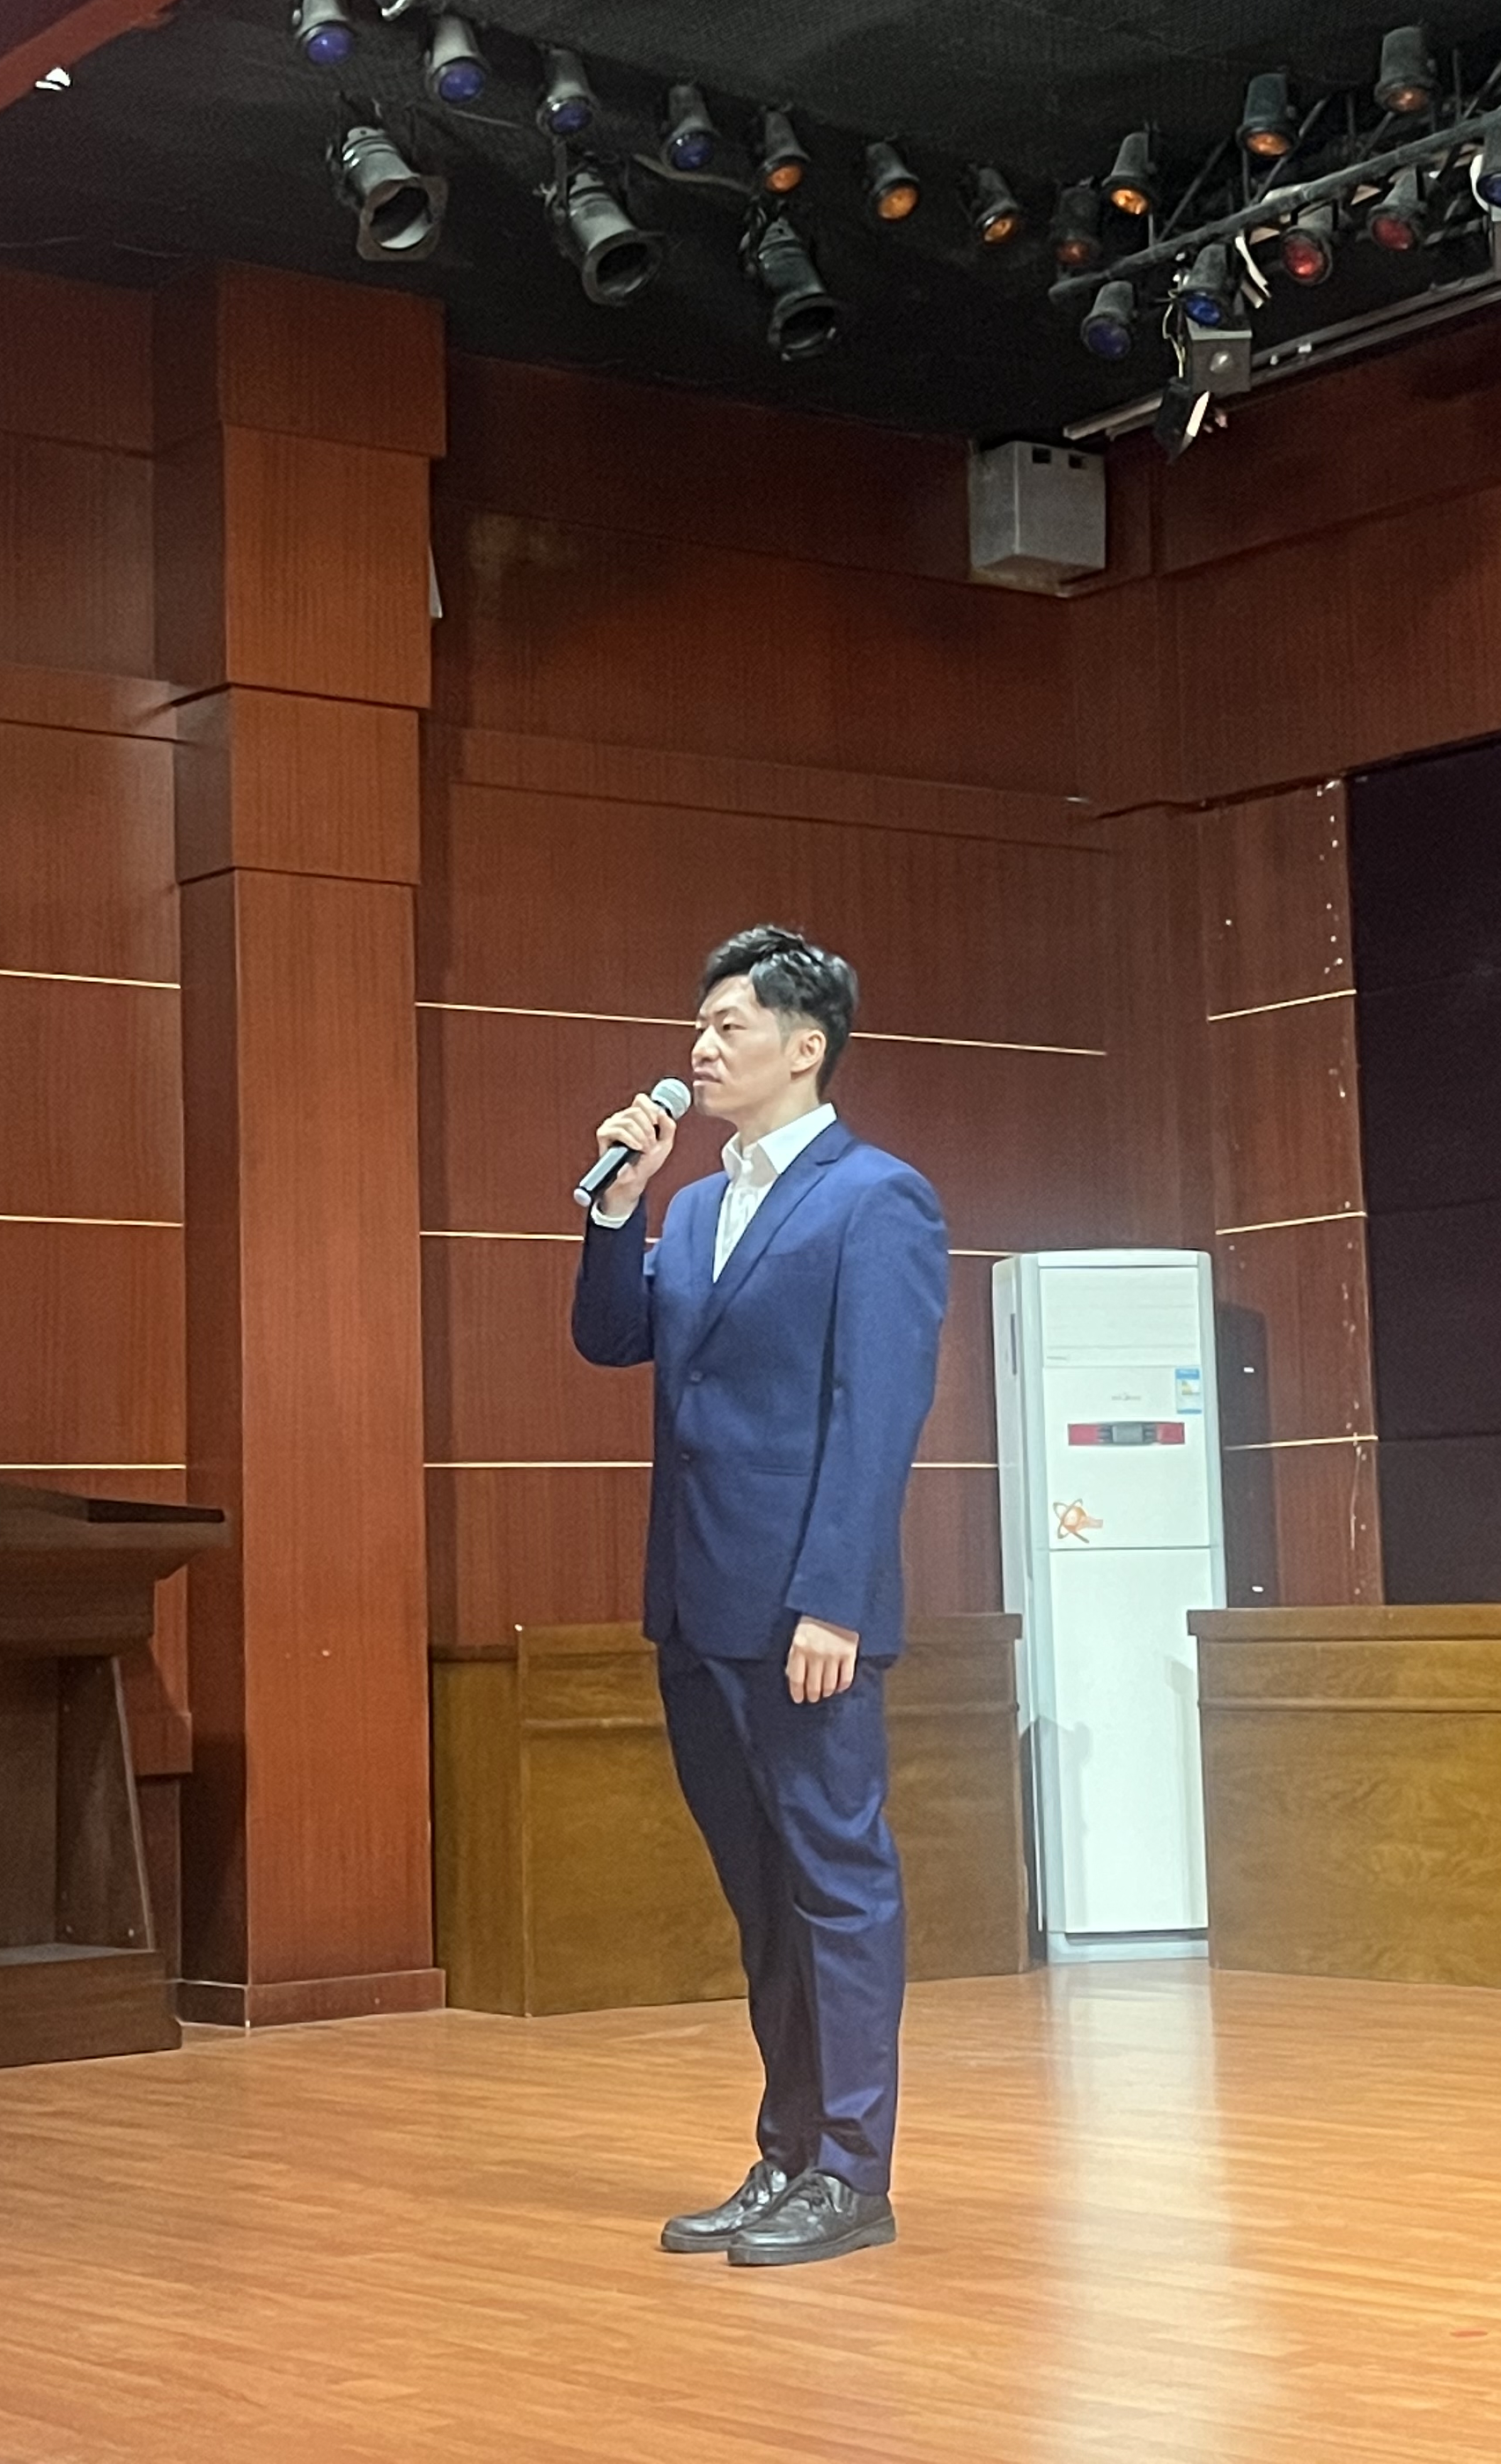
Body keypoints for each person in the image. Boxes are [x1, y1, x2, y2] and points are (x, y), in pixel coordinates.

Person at [570, 925, 950, 2269]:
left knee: (837, 1885)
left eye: (730, 1025)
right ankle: (787, 2153)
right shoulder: (690, 1206)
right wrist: (616, 1211)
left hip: (804, 1613)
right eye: (702, 1024)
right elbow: (613, 1337)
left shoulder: (876, 1200)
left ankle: (853, 2169)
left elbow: (876, 1413)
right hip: (695, 1601)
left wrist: (834, 1600)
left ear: (806, 1047)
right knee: (763, 1893)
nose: (702, 1047)